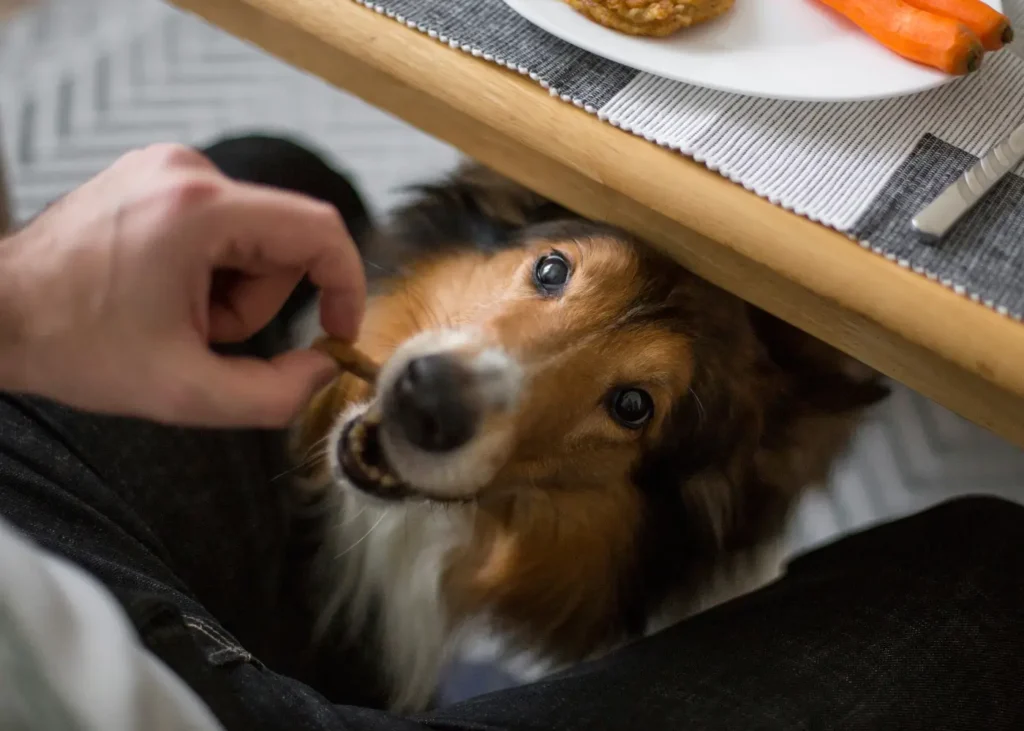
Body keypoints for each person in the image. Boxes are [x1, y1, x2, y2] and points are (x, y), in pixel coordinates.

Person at [0, 135, 1022, 731]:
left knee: (275, 177)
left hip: (32, 548)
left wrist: (20, 302)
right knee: (993, 575)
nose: (464, 381)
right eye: (552, 272)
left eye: (630, 406)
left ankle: (332, 649)